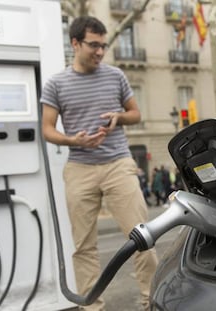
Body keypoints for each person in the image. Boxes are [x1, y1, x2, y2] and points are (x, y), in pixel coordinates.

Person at [40, 16, 158, 311]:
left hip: (118, 163)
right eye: (94, 45)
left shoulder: (115, 76)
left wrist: (119, 118)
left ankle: (152, 301)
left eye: (103, 46)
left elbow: (136, 113)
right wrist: (73, 141)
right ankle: (92, 308)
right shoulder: (56, 84)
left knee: (143, 236)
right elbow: (47, 129)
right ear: (75, 44)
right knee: (84, 248)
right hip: (80, 168)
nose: (100, 52)